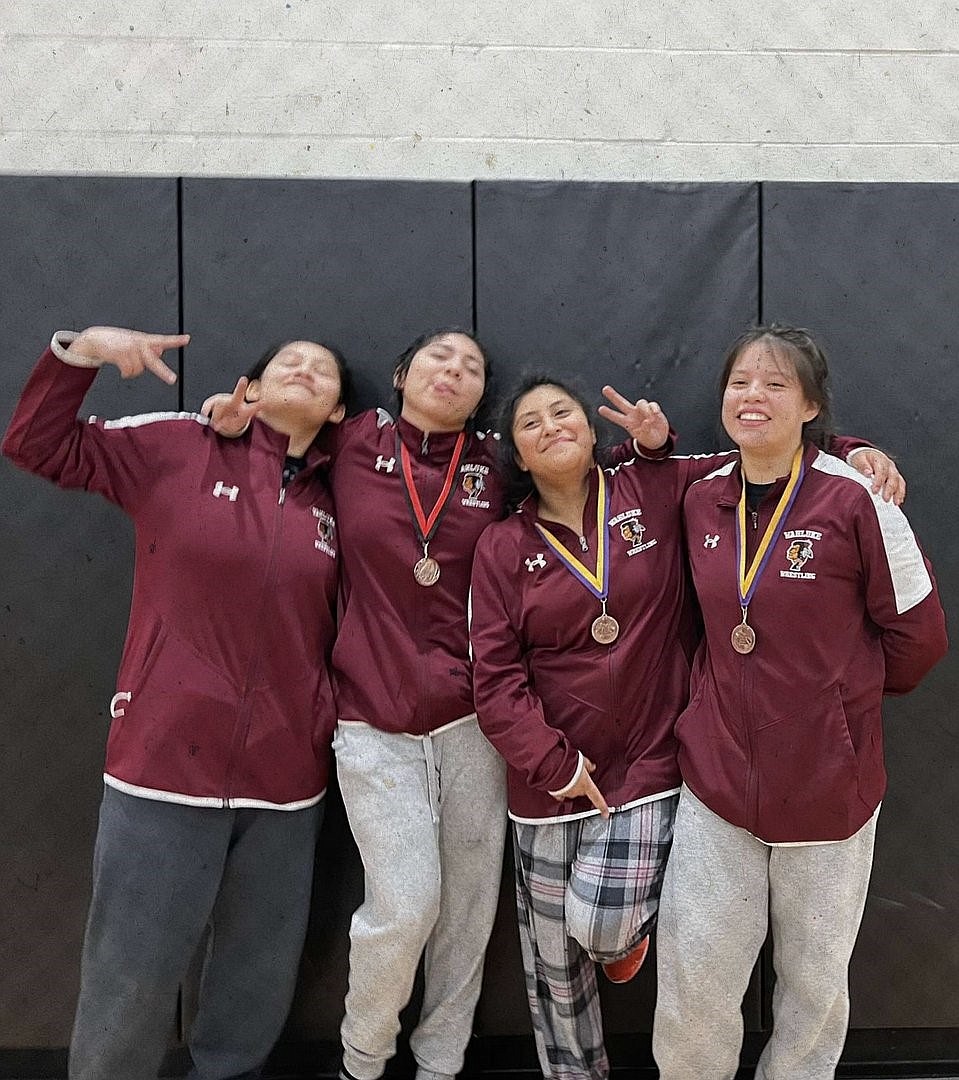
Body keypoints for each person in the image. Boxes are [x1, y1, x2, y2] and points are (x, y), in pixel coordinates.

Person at [467, 370, 908, 1080]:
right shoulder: (499, 548)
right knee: (552, 973)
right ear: (516, 455)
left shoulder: (655, 485)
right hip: (548, 781)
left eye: (562, 413)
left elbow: (764, 447)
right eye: (530, 423)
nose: (551, 427)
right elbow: (493, 676)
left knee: (599, 924)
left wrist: (853, 450)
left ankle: (620, 945)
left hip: (647, 768)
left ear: (590, 429)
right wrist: (550, 764)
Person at [3, 326, 349, 1080]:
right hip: (162, 768)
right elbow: (35, 444)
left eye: (323, 372)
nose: (305, 369)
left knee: (254, 985)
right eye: (286, 359)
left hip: (287, 784)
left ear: (336, 412)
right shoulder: (177, 447)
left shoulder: (344, 497)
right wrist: (80, 352)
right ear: (248, 390)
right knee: (131, 974)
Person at [206, 328, 506, 1080]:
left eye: (471, 367)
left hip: (474, 724)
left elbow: (593, 476)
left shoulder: (496, 462)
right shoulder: (352, 440)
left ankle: (440, 1063)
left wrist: (853, 450)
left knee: (466, 916)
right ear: (402, 374)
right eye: (441, 356)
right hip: (371, 721)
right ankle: (362, 1061)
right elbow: (270, 440)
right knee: (406, 906)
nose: (455, 370)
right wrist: (225, 417)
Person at [651, 325, 948, 1080]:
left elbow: (919, 638)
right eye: (739, 383)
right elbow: (624, 481)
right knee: (693, 981)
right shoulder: (700, 493)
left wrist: (831, 712)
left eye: (775, 384)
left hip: (827, 789)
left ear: (810, 403)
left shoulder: (859, 498)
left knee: (812, 989)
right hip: (717, 783)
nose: (752, 397)